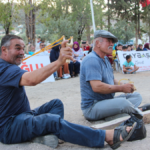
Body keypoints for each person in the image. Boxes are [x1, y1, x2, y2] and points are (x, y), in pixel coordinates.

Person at [0, 34, 137, 150]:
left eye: (23, 49)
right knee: (51, 120)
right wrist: (59, 61)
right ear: (4, 50)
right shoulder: (4, 68)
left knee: (56, 104)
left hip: (23, 116)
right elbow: (31, 80)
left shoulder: (9, 67)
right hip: (9, 127)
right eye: (18, 48)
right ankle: (105, 137)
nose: (22, 52)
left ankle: (50, 133)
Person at [80, 30, 149, 122]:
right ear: (97, 43)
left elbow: (112, 79)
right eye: (109, 41)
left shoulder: (105, 58)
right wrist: (121, 88)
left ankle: (121, 113)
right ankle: (138, 113)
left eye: (112, 42)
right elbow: (97, 87)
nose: (112, 44)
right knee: (123, 103)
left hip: (107, 100)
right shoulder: (92, 59)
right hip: (93, 107)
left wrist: (123, 84)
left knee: (137, 96)